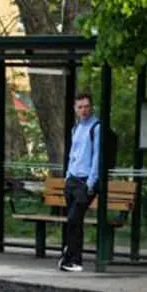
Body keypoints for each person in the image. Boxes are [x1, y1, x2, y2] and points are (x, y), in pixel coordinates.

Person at [58, 92, 101, 273]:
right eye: (80, 107)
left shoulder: (96, 127)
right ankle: (75, 258)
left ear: (91, 107)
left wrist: (91, 183)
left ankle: (70, 256)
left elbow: (98, 156)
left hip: (86, 181)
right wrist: (68, 176)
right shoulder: (76, 128)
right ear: (75, 109)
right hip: (73, 179)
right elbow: (72, 153)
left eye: (86, 106)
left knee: (74, 219)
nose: (83, 110)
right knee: (74, 221)